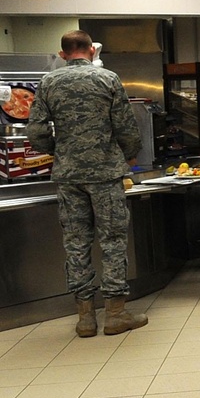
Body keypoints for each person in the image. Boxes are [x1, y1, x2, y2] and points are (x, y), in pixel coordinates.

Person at [26, 29, 147, 337]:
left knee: (76, 242)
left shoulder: (48, 82)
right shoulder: (108, 80)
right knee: (113, 241)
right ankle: (116, 313)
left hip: (68, 177)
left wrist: (62, 152)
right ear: (92, 50)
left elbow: (36, 132)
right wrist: (126, 156)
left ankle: (85, 318)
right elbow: (127, 129)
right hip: (105, 175)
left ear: (63, 53)